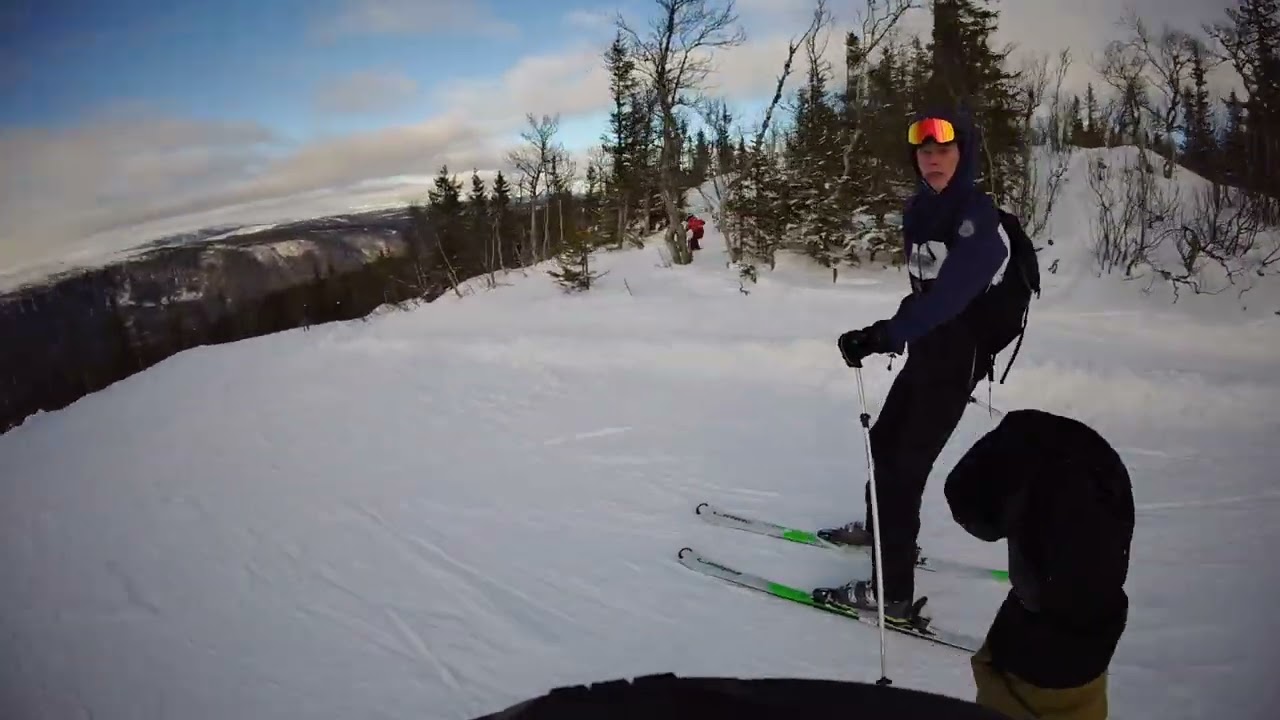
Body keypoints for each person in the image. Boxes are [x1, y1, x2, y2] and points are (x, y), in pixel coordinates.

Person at [813, 106, 1013, 627]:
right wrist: (879, 333)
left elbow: (949, 298)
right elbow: (923, 292)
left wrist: (886, 334)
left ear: (964, 153)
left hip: (958, 359)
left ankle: (893, 595)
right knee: (883, 445)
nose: (933, 159)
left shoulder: (978, 217)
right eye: (924, 151)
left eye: (944, 149)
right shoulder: (919, 210)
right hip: (927, 350)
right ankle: (882, 532)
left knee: (903, 472)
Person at [944, 408, 1134, 720]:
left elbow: (979, 515)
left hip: (1044, 658)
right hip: (1082, 640)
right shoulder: (1080, 460)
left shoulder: (1047, 471)